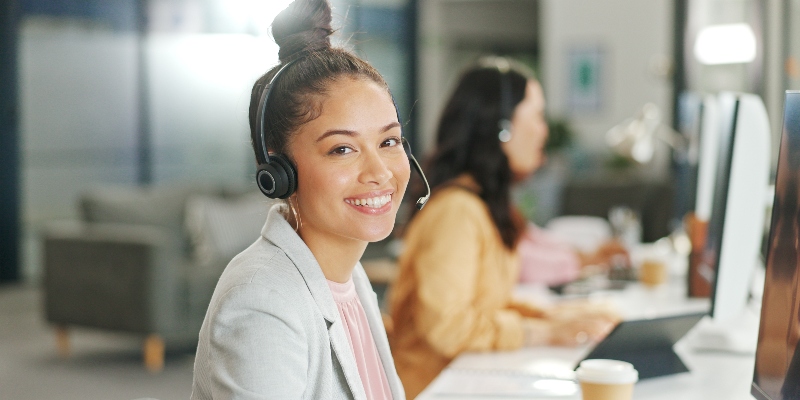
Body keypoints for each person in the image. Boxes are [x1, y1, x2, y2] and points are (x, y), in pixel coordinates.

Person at [191, 1, 409, 398]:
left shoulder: (349, 278)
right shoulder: (263, 303)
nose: (380, 172)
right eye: (342, 149)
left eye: (388, 141)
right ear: (279, 173)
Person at [388, 57, 618, 398]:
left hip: (466, 382)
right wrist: (545, 332)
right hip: (432, 387)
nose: (544, 130)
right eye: (537, 116)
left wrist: (561, 316)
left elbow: (483, 305)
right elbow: (446, 326)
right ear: (503, 128)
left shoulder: (480, 206)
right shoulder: (457, 211)